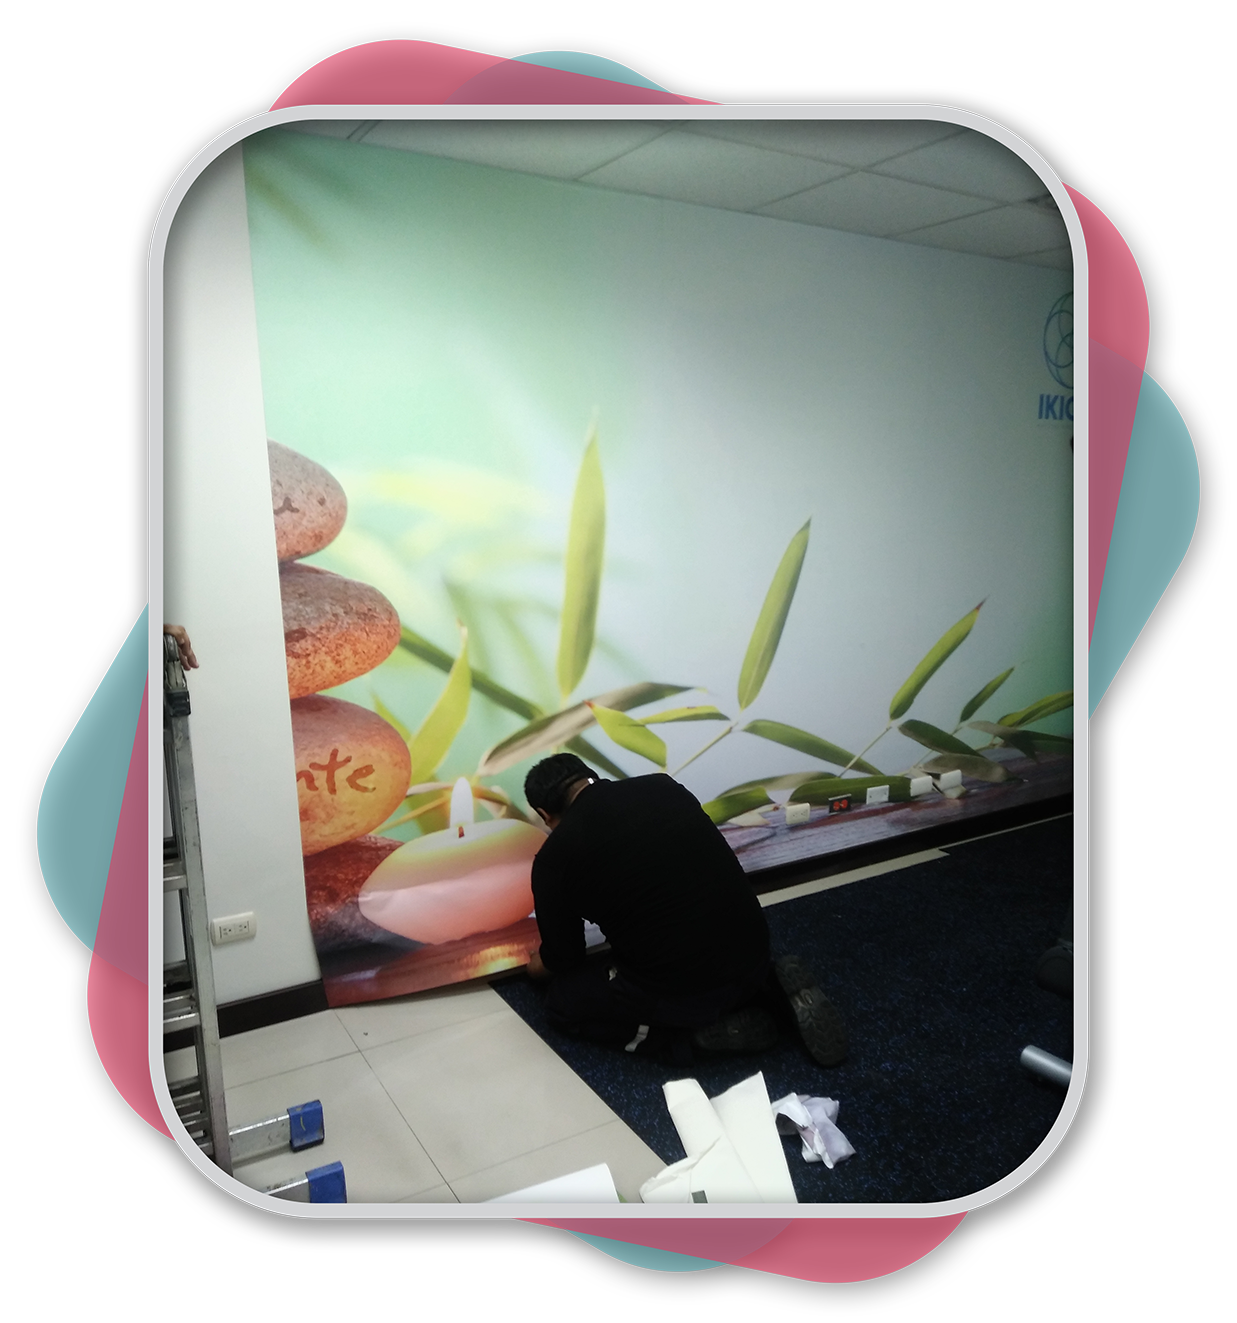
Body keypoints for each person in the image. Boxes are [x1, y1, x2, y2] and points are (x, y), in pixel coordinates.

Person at [523, 752, 847, 1066]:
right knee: (692, 935)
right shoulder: (663, 787)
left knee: (562, 1003)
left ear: (544, 813)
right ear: (589, 776)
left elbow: (565, 958)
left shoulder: (555, 859)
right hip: (754, 952)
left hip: (682, 992)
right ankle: (771, 989)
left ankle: (686, 1042)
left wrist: (534, 967)